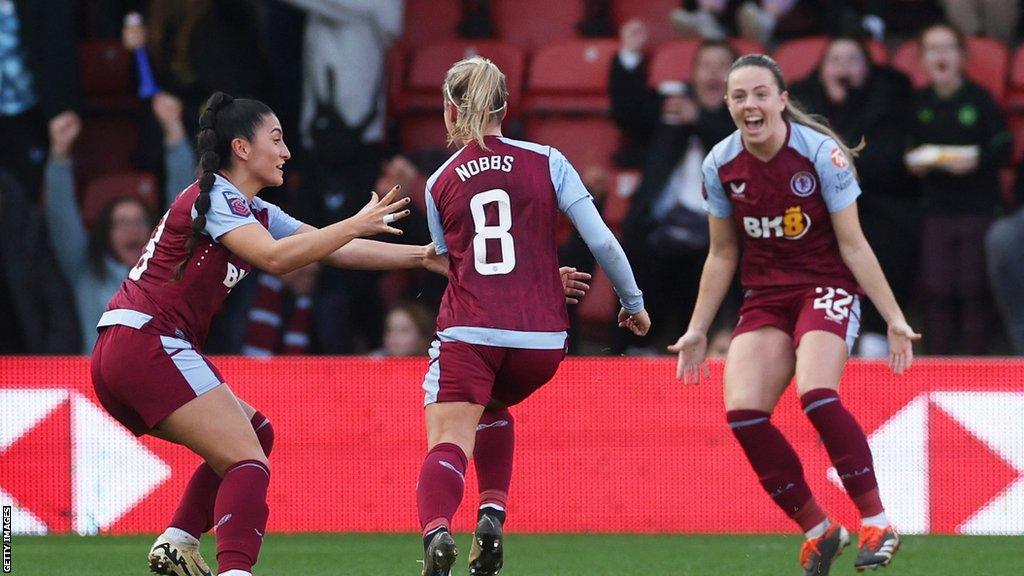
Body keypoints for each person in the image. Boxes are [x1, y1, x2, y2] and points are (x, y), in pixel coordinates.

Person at [89, 91, 438, 576]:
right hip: (150, 343)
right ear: (242, 148)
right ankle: (236, 570)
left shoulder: (249, 209)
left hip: (129, 347)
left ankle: (178, 541)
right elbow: (278, 259)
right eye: (276, 139)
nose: (287, 152)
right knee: (246, 463)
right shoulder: (217, 198)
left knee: (255, 434)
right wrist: (356, 221)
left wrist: (422, 256)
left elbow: (328, 250)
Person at [669, 54, 920, 575]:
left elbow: (853, 245)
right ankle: (820, 529)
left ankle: (877, 521)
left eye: (760, 93)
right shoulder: (720, 164)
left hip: (826, 285)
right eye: (739, 96)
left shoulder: (820, 155)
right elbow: (721, 253)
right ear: (728, 104)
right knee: (743, 413)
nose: (749, 104)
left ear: (782, 100)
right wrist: (696, 328)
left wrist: (892, 316)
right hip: (764, 296)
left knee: (816, 393)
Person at [415, 56, 650, 576]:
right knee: (495, 406)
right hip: (541, 343)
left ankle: (436, 533)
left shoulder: (438, 181)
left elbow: (455, 262)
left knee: (449, 435)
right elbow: (603, 241)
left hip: (472, 332)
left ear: (452, 112)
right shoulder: (548, 159)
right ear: (506, 105)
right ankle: (492, 515)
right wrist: (632, 304)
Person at [790, 35, 917, 357]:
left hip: (876, 201)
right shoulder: (800, 104)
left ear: (868, 69)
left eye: (852, 60)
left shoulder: (886, 101)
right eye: (835, 59)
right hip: (814, 205)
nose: (843, 67)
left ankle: (875, 334)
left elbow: (889, 163)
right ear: (820, 70)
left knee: (887, 237)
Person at [611, 31, 737, 353]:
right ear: (692, 73)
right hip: (661, 226)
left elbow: (734, 149)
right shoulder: (673, 105)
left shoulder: (741, 119)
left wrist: (700, 120)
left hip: (716, 230)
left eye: (722, 65)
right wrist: (629, 55)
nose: (712, 73)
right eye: (705, 65)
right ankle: (631, 351)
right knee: (634, 249)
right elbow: (628, 113)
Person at [45, 92, 196, 352]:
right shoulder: (86, 270)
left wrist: (174, 131)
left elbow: (183, 211)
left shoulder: (167, 269)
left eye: (139, 221)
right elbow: (61, 217)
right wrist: (59, 154)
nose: (132, 229)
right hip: (93, 383)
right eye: (121, 223)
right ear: (105, 233)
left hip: (159, 382)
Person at [905, 23, 1010, 355]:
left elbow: (1004, 149)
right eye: (933, 49)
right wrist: (913, 163)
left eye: (948, 48)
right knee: (936, 287)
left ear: (962, 57)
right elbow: (903, 152)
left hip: (978, 206)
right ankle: (938, 363)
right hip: (934, 208)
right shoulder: (917, 102)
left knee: (972, 286)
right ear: (922, 60)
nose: (941, 56)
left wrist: (977, 160)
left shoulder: (979, 99)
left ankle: (974, 363)